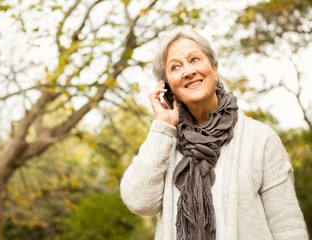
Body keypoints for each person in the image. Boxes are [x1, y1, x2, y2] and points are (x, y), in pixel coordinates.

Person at [120, 28, 309, 240]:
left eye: (195, 59)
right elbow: (138, 201)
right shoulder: (165, 142)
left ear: (214, 68)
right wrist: (162, 128)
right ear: (167, 86)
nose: (188, 71)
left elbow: (288, 227)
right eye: (175, 67)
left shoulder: (260, 139)